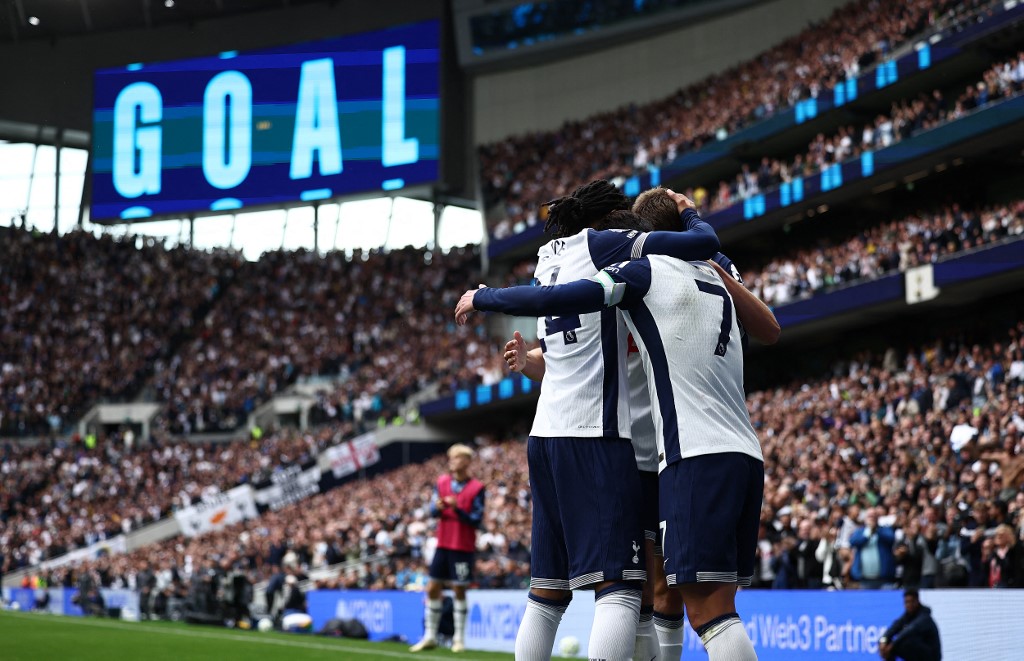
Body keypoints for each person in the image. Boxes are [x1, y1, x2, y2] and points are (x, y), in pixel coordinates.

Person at [457, 209, 765, 661]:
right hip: (636, 452)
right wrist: (533, 362)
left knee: (654, 588)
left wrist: (494, 302)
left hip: (643, 449)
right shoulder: (633, 283)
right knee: (635, 590)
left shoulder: (644, 282)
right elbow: (581, 352)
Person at [410, 444, 486, 654]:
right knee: (432, 587)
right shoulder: (442, 482)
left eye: (458, 458)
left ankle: (459, 638)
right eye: (451, 458)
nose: (453, 461)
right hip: (443, 543)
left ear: (467, 462)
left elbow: (477, 519)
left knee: (459, 589)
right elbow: (432, 511)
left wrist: (457, 508)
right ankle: (430, 636)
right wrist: (439, 507)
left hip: (462, 546)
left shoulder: (477, 488)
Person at [878, 589, 942, 660]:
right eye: (906, 602)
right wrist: (883, 641)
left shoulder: (924, 617)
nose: (909, 605)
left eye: (911, 602)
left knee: (906, 642)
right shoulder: (907, 615)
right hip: (917, 651)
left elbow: (910, 631)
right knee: (885, 643)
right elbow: (893, 628)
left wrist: (892, 645)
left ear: (917, 601)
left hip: (931, 655)